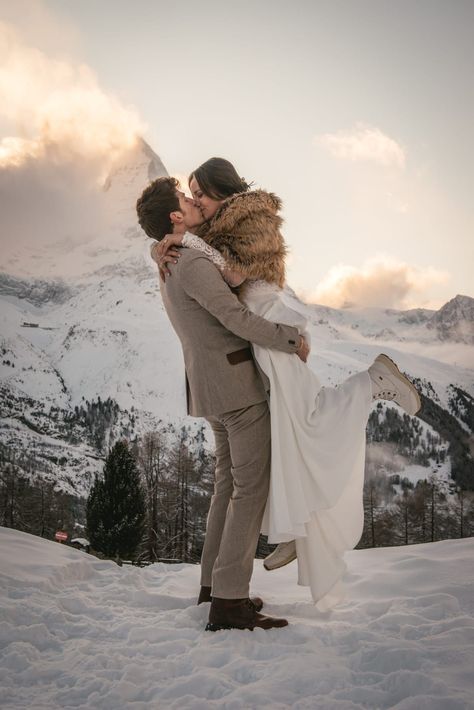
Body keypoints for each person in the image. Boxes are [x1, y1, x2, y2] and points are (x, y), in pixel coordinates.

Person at [153, 158, 421, 610]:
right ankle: (282, 537)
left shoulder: (247, 221)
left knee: (306, 419)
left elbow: (232, 274)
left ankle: (371, 385)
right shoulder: (207, 234)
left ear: (223, 192)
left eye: (199, 191)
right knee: (286, 437)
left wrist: (173, 240)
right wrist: (166, 242)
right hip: (256, 342)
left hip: (268, 330)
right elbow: (203, 264)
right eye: (189, 192)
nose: (194, 198)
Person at [136, 177, 310, 631]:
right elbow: (233, 318)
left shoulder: (172, 260)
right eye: (185, 199)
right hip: (234, 387)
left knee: (228, 489)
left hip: (211, 388)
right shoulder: (189, 261)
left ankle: (213, 588)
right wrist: (289, 338)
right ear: (176, 217)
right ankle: (229, 602)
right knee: (249, 490)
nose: (193, 202)